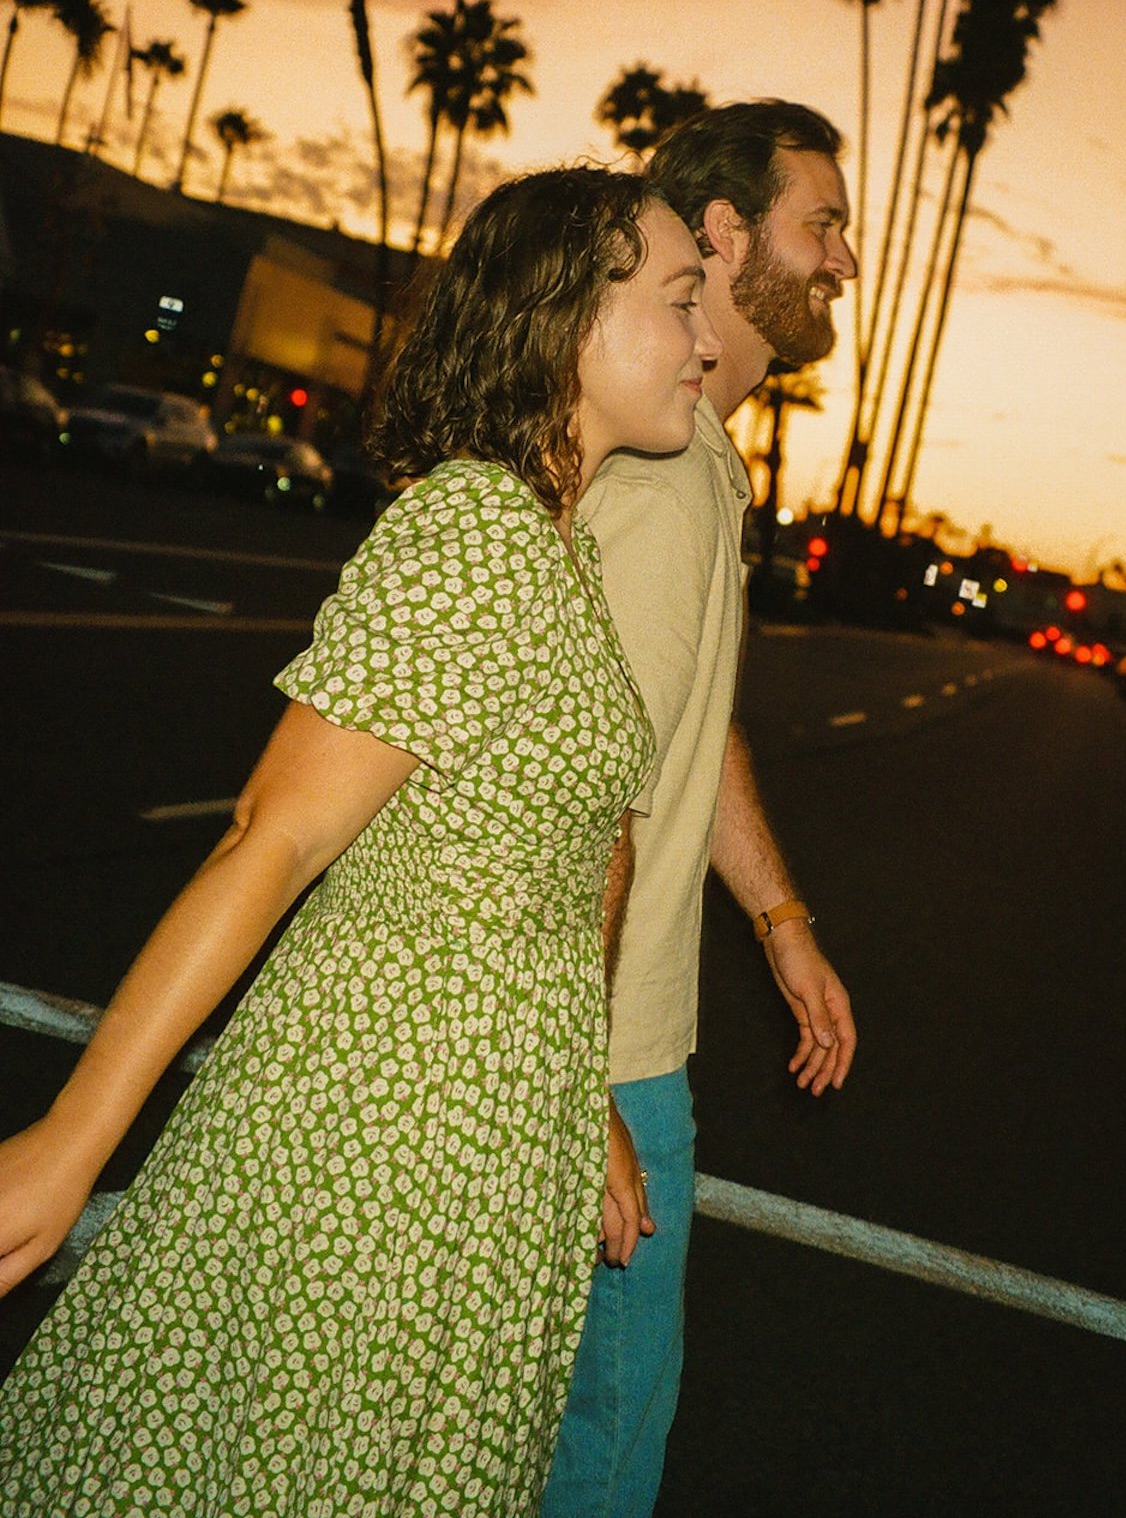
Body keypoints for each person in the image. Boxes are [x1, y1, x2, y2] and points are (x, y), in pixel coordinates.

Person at [0, 166, 720, 1517]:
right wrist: (74, 1136)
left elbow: (589, 850)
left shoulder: (558, 550)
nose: (705, 342)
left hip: (492, 1145)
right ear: (570, 317)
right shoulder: (471, 533)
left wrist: (585, 1103)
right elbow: (269, 840)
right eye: (681, 302)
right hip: (378, 1129)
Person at [542, 101, 859, 1518]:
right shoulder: (668, 484)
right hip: (607, 1048)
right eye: (820, 225)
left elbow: (684, 716)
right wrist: (588, 1087)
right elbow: (590, 798)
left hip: (608, 1037)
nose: (843, 261)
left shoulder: (693, 460)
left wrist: (779, 918)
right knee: (605, 1446)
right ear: (726, 235)